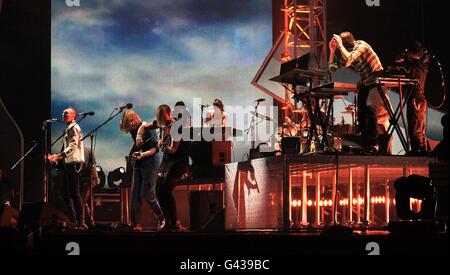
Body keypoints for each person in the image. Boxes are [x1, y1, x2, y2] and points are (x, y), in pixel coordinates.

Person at [329, 32, 391, 154]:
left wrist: (340, 46)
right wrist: (332, 51)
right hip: (366, 81)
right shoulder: (347, 52)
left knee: (370, 106)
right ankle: (365, 144)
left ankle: (375, 144)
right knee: (361, 113)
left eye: (345, 47)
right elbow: (332, 68)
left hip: (378, 78)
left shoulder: (362, 45)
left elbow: (349, 58)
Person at [138, 105, 189, 232]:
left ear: (168, 115)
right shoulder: (161, 124)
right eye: (159, 118)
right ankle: (168, 221)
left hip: (178, 161)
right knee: (158, 190)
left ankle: (174, 223)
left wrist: (162, 146)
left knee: (166, 190)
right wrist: (139, 136)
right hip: (167, 161)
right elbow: (143, 126)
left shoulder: (176, 127)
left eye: (163, 117)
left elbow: (173, 150)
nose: (161, 121)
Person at [120, 110, 165, 232]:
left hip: (151, 161)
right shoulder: (134, 131)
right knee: (135, 194)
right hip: (139, 163)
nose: (128, 130)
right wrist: (131, 155)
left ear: (130, 122)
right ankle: (137, 224)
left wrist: (142, 155)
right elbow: (137, 144)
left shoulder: (147, 128)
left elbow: (155, 149)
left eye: (127, 126)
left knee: (147, 193)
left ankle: (161, 218)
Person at [47, 107, 87, 230]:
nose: (63, 114)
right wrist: (56, 157)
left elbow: (73, 145)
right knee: (66, 192)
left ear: (74, 116)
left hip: (74, 162)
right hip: (69, 162)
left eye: (66, 113)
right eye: (63, 113)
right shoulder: (68, 128)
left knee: (74, 193)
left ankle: (81, 222)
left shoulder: (74, 127)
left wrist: (59, 156)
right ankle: (73, 221)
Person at [395, 41, 431, 154]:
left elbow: (397, 60)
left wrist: (405, 57)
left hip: (416, 99)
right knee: (418, 127)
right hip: (419, 98)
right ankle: (419, 149)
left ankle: (418, 151)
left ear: (411, 53)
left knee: (415, 127)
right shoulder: (422, 62)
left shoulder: (416, 65)